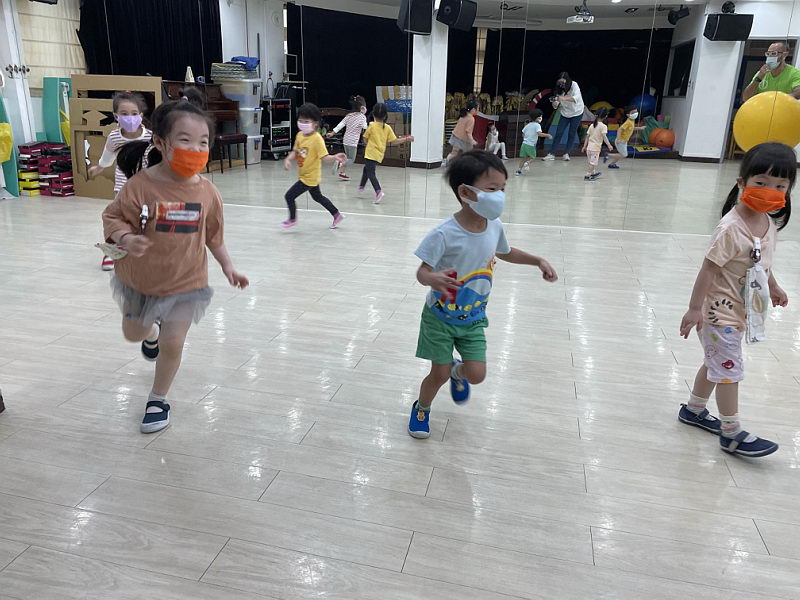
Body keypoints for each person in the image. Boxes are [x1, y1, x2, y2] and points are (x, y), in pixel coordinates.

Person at [102, 98, 249, 433]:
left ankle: (158, 399)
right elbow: (113, 217)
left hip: (186, 282)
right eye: (185, 141)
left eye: (203, 142)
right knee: (133, 333)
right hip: (140, 280)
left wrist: (228, 267)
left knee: (174, 343)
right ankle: (150, 333)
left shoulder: (208, 193)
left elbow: (214, 236)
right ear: (160, 142)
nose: (195, 149)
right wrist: (126, 238)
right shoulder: (141, 186)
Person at [407, 150, 558, 439]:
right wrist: (431, 278)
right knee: (438, 374)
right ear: (465, 192)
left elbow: (505, 252)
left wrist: (537, 260)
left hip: (473, 318)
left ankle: (458, 371)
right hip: (439, 318)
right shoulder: (443, 234)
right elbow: (421, 273)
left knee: (476, 375)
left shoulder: (494, 226)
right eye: (491, 189)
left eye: (502, 188)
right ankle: (422, 407)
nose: (499, 195)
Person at [679, 142, 795, 458]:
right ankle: (730, 433)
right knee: (729, 369)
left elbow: (759, 263)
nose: (770, 191)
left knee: (716, 361)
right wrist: (694, 309)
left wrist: (773, 285)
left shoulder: (767, 222)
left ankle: (694, 410)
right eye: (761, 182)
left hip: (743, 309)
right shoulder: (731, 228)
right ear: (742, 182)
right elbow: (709, 268)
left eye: (780, 186)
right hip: (718, 312)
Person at [88, 92, 152, 271]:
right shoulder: (114, 137)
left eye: (134, 113)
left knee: (146, 218)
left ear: (141, 115)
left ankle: (141, 249)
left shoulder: (150, 136)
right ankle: (111, 251)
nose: (129, 118)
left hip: (146, 183)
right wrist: (99, 167)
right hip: (123, 181)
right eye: (124, 114)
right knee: (118, 217)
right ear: (116, 116)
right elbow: (107, 156)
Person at [282, 102, 347, 229]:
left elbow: (324, 157)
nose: (302, 123)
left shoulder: (317, 139)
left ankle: (292, 219)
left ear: (315, 123)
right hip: (305, 175)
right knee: (317, 197)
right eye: (300, 120)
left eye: (306, 121)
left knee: (289, 196)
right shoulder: (299, 135)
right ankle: (336, 214)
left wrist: (334, 157)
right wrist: (288, 159)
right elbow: (295, 151)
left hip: (309, 177)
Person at [359, 102, 413, 204]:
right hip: (379, 154)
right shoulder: (387, 127)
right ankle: (361, 186)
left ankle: (378, 191)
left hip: (370, 153)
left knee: (371, 173)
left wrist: (367, 143)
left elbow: (365, 138)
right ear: (385, 116)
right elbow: (394, 141)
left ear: (373, 114)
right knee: (367, 168)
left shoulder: (371, 126)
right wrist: (406, 139)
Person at [542, 72, 585, 161]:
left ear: (568, 80)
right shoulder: (558, 89)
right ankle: (551, 154)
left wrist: (563, 98)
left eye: (563, 82)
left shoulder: (574, 85)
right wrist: (554, 103)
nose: (562, 84)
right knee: (559, 132)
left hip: (577, 112)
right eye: (560, 82)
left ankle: (566, 153)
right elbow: (556, 105)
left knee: (572, 133)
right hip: (565, 113)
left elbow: (575, 98)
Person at [326, 95, 367, 181]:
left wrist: (332, 133)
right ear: (362, 107)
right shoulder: (362, 117)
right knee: (351, 159)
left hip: (346, 140)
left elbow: (340, 125)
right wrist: (363, 115)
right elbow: (365, 127)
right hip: (353, 142)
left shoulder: (348, 116)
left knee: (346, 157)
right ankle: (339, 163)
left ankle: (342, 173)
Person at [515, 109, 553, 176]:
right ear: (537, 118)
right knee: (533, 157)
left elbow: (523, 134)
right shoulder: (537, 125)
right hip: (531, 145)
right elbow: (539, 133)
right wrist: (548, 135)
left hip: (524, 144)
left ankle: (518, 171)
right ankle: (527, 163)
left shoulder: (528, 125)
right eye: (540, 117)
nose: (541, 118)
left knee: (524, 158)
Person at [581, 107, 613, 181]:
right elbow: (604, 137)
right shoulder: (603, 126)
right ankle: (587, 175)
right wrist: (609, 145)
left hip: (589, 148)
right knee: (593, 163)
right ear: (605, 116)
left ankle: (593, 173)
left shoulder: (592, 125)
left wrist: (584, 146)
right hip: (595, 149)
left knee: (591, 162)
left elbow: (587, 137)